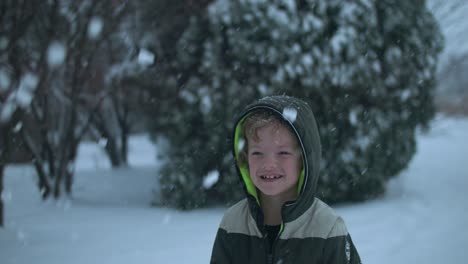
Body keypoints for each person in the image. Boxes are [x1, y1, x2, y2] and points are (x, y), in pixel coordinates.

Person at [210, 95, 361, 263]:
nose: (268, 164)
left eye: (283, 153)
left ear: (304, 160)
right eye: (257, 153)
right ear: (245, 159)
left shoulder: (327, 228)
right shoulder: (233, 224)